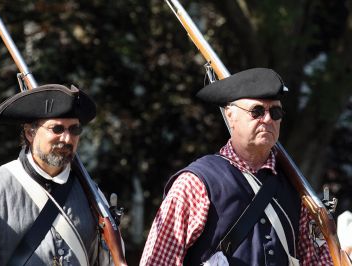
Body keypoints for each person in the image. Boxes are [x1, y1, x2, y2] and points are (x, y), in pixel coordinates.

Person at [140, 68, 333, 265]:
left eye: (275, 112)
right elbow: (158, 261)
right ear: (230, 115)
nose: (267, 119)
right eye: (257, 111)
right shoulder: (195, 183)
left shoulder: (295, 186)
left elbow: (317, 260)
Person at [0, 84, 115, 265]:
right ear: (30, 133)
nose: (67, 139)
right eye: (57, 129)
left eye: (74, 129)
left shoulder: (93, 195)